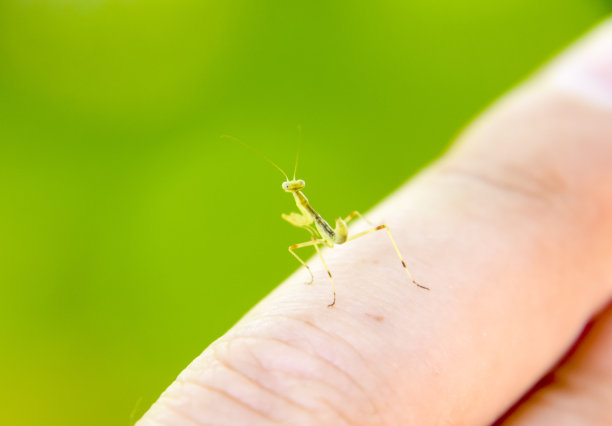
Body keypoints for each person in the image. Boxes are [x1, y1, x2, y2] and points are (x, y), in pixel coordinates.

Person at [138, 20, 612, 425]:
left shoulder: (318, 214)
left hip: (340, 238)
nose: (294, 190)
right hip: (332, 240)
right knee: (304, 244)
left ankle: (402, 275)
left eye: (294, 188)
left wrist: (332, 283)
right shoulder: (304, 214)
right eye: (291, 189)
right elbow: (314, 234)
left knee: (359, 232)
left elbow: (329, 237)